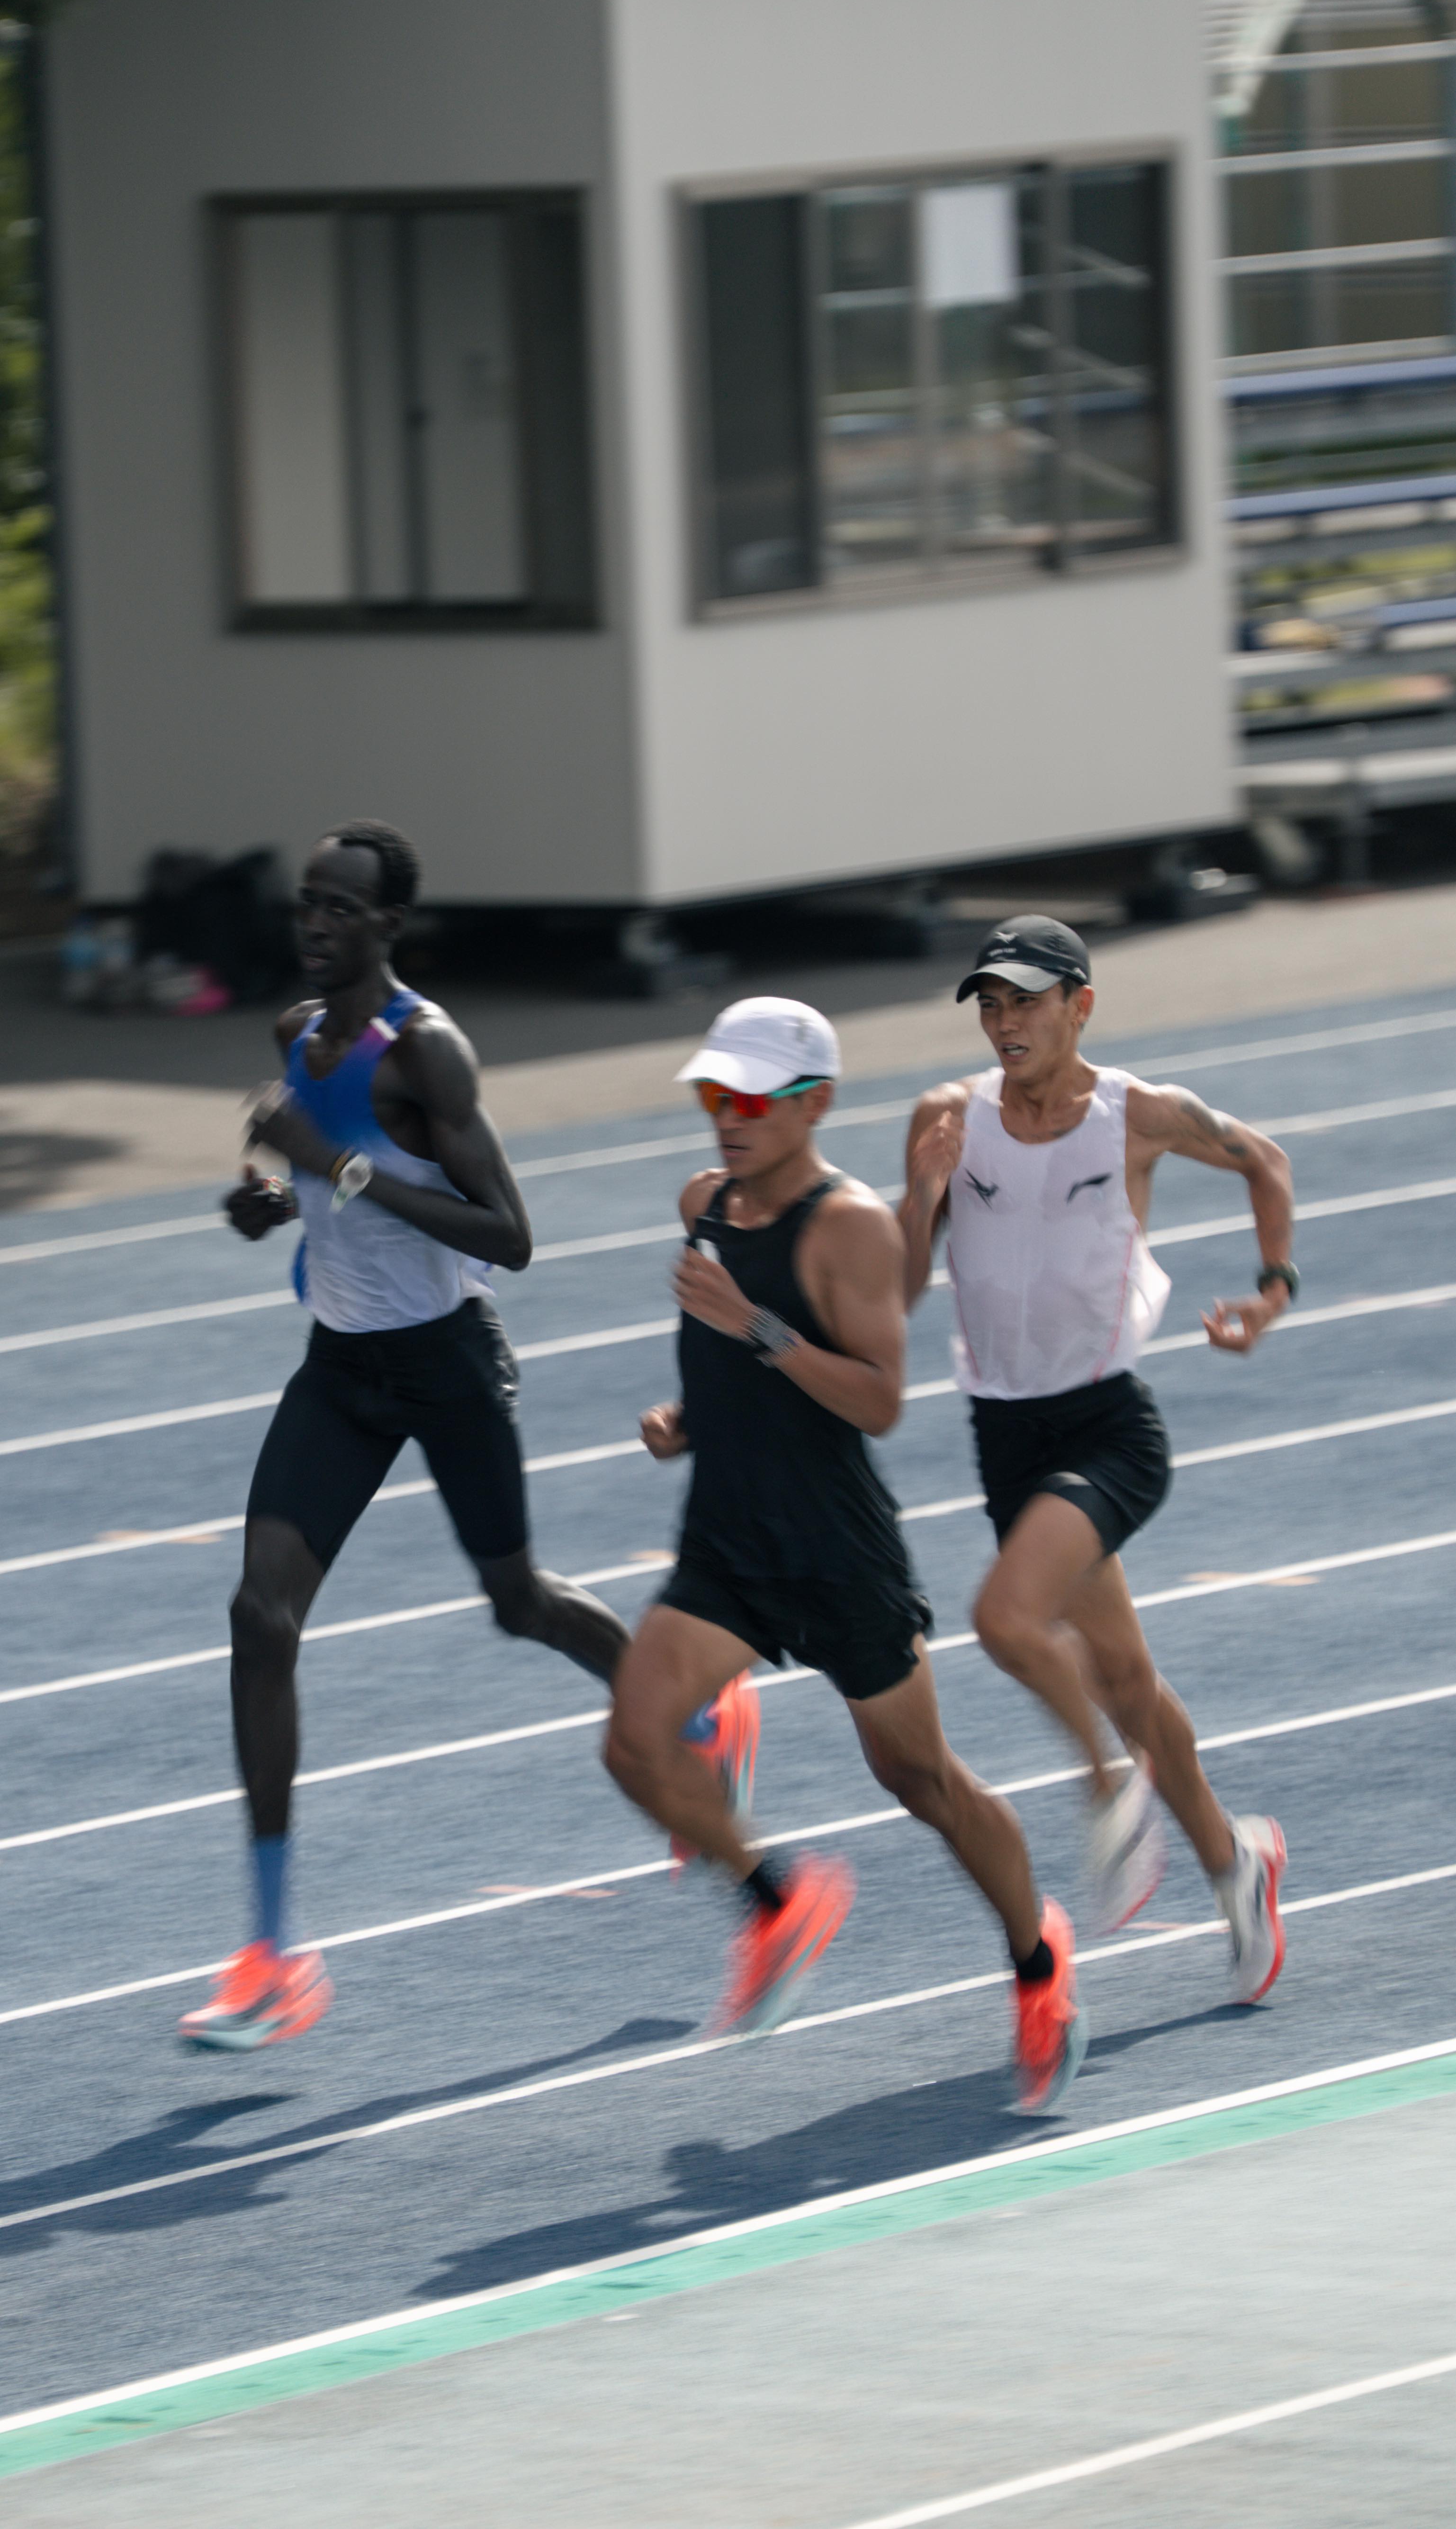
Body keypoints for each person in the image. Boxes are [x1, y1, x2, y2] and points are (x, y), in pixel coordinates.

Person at [179, 820, 756, 2051]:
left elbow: (506, 1233)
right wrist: (271, 1202)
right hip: (341, 1369)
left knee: (517, 1600)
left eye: (342, 908)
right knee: (258, 1616)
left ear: (390, 926)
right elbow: (316, 1191)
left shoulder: (425, 1051)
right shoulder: (294, 1033)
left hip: (446, 1365)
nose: (316, 923)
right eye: (308, 903)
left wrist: (328, 1170)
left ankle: (698, 1711)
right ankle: (272, 1951)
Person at [604, 996, 1087, 2111]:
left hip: (834, 1552)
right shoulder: (702, 1208)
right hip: (728, 1541)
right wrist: (692, 1415)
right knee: (633, 1743)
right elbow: (733, 1369)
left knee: (922, 1781)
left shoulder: (850, 1227)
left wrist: (752, 1329)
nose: (725, 1120)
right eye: (712, 1097)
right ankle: (778, 1898)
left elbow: (877, 1400)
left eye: (750, 1100)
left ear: (814, 1103)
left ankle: (1036, 1955)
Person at [898, 917, 1291, 2001]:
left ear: (1080, 1005)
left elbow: (1266, 1160)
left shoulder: (1139, 1115)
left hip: (1107, 1425)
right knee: (1122, 1673)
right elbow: (893, 1293)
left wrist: (1270, 1291)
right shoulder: (944, 1119)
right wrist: (919, 1200)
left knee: (1006, 1619)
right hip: (1003, 1429)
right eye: (989, 1001)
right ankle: (1234, 1862)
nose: (1004, 1021)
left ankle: (1103, 1779)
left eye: (1025, 1000)